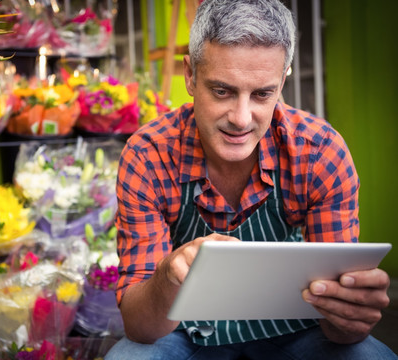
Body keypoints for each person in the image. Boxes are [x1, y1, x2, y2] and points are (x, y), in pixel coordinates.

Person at [105, 0, 397, 359]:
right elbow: (139, 327)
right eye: (222, 91)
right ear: (191, 75)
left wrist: (351, 317)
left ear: (282, 79)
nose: (241, 119)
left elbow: (340, 333)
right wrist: (167, 276)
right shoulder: (148, 155)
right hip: (182, 334)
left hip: (297, 332)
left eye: (262, 94)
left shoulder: (319, 152)